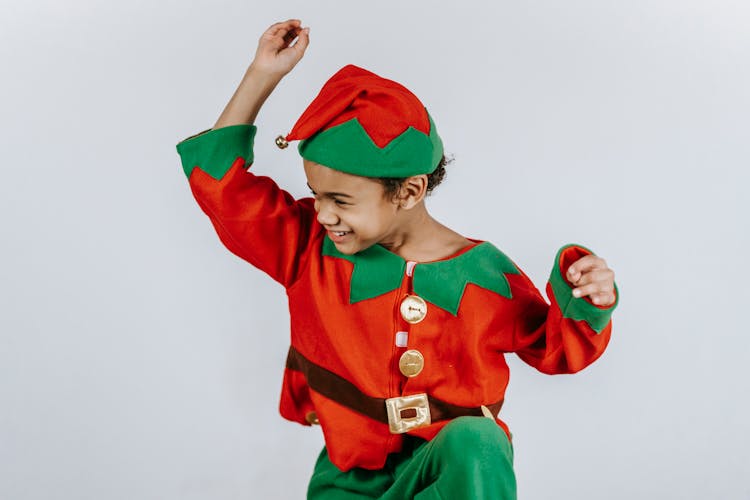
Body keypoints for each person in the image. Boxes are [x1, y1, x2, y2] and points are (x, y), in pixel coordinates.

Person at [176, 19, 618, 500]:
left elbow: (556, 348)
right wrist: (262, 74)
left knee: (478, 440)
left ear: (409, 191)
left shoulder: (485, 275)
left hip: (446, 480)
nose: (323, 213)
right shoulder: (305, 248)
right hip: (346, 484)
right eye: (315, 194)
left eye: (341, 200)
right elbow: (221, 187)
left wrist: (589, 298)